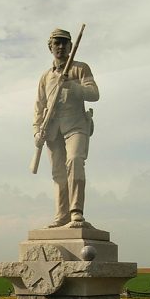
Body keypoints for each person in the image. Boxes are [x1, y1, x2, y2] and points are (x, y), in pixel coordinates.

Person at [33, 28, 99, 227]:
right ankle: (61, 215)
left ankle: (76, 211)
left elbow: (94, 94)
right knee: (58, 173)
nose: (60, 47)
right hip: (52, 129)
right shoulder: (45, 77)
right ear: (50, 47)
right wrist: (36, 130)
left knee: (75, 160)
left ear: (71, 46)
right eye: (56, 43)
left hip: (76, 125)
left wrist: (72, 85)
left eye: (64, 43)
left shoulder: (81, 69)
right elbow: (39, 105)